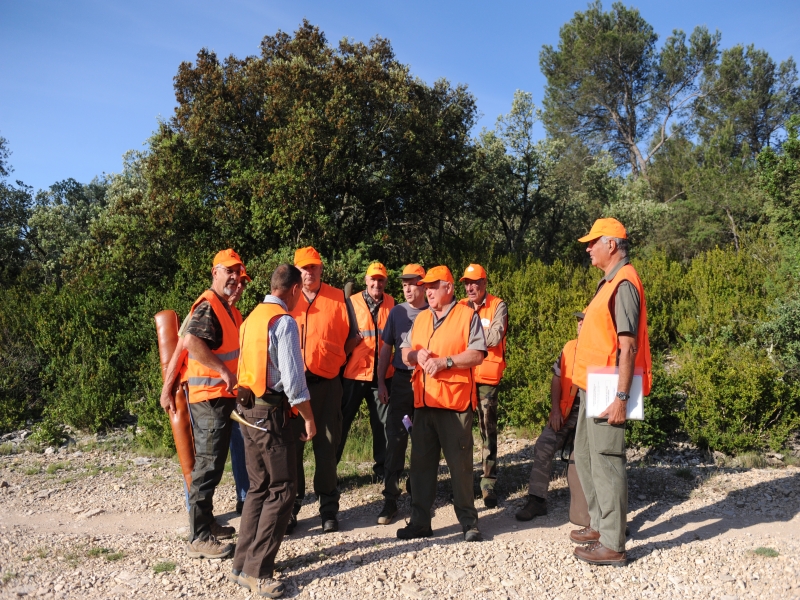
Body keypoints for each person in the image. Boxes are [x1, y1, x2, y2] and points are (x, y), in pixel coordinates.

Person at [228, 264, 316, 599]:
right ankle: (258, 571)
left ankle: (241, 564)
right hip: (270, 415)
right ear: (294, 289)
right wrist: (308, 418)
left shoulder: (251, 318)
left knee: (258, 487)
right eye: (299, 293)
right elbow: (293, 384)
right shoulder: (284, 322)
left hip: (246, 411)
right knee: (283, 488)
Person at [570, 218, 652, 567]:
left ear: (612, 245)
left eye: (593, 243)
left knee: (607, 462)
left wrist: (621, 399)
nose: (588, 248)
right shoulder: (609, 282)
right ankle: (600, 524)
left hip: (608, 388)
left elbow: (628, 346)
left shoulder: (624, 283)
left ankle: (613, 543)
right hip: (593, 383)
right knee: (586, 456)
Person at [398, 266, 487, 542]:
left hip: (454, 407)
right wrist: (415, 355)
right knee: (420, 468)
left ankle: (469, 523)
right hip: (423, 405)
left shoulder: (466, 315)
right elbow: (404, 352)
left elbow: (477, 354)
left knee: (460, 468)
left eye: (433, 286)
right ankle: (420, 523)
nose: (428, 291)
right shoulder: (422, 318)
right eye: (426, 287)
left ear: (448, 288)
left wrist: (445, 362)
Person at [159, 271, 252, 519]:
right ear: (217, 274)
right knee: (202, 458)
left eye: (243, 283)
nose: (239, 286)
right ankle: (197, 519)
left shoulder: (234, 314)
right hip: (204, 394)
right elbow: (181, 348)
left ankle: (243, 499)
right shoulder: (205, 308)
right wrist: (167, 389)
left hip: (227, 395)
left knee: (235, 447)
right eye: (236, 280)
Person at [288, 246, 358, 534]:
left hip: (328, 386)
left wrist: (337, 360)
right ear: (296, 271)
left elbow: (354, 337)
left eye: (314, 267)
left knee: (327, 449)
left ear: (321, 269)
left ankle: (328, 509)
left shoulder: (339, 297)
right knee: (292, 450)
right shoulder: (287, 299)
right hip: (294, 388)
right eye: (304, 268)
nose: (309, 272)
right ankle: (291, 507)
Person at [182, 249, 244, 559]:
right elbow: (191, 342)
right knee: (207, 467)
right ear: (215, 272)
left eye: (237, 271)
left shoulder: (224, 307)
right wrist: (222, 371)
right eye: (228, 270)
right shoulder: (209, 305)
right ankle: (199, 537)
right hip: (209, 398)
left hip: (219, 397)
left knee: (214, 465)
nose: (234, 277)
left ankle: (206, 523)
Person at [516, 312, 584, 521]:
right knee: (543, 445)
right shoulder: (569, 347)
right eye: (579, 320)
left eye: (585, 321)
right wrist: (555, 410)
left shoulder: (602, 350)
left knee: (581, 457)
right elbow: (556, 378)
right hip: (566, 412)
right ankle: (537, 501)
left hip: (589, 416)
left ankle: (592, 510)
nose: (580, 324)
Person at [375, 264, 428, 524]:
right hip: (401, 381)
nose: (407, 288)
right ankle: (390, 499)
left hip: (427, 382)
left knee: (423, 438)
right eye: (404, 284)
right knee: (395, 438)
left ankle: (419, 494)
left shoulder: (434, 312)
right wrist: (381, 383)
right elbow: (386, 349)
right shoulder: (396, 312)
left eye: (412, 283)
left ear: (423, 285)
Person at [337, 262, 395, 483]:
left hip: (382, 376)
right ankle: (329, 471)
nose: (377, 284)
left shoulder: (392, 304)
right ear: (366, 280)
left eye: (381, 280)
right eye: (373, 279)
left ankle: (383, 470)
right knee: (342, 422)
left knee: (383, 424)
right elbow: (339, 339)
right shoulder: (350, 303)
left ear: (385, 282)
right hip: (354, 375)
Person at [458, 264, 508, 508]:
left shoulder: (498, 305)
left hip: (487, 379)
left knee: (488, 431)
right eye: (467, 283)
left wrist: (467, 338)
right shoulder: (459, 306)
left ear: (484, 283)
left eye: (475, 282)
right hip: (463, 377)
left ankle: (488, 483)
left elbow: (495, 336)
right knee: (460, 431)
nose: (470, 287)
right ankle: (464, 484)